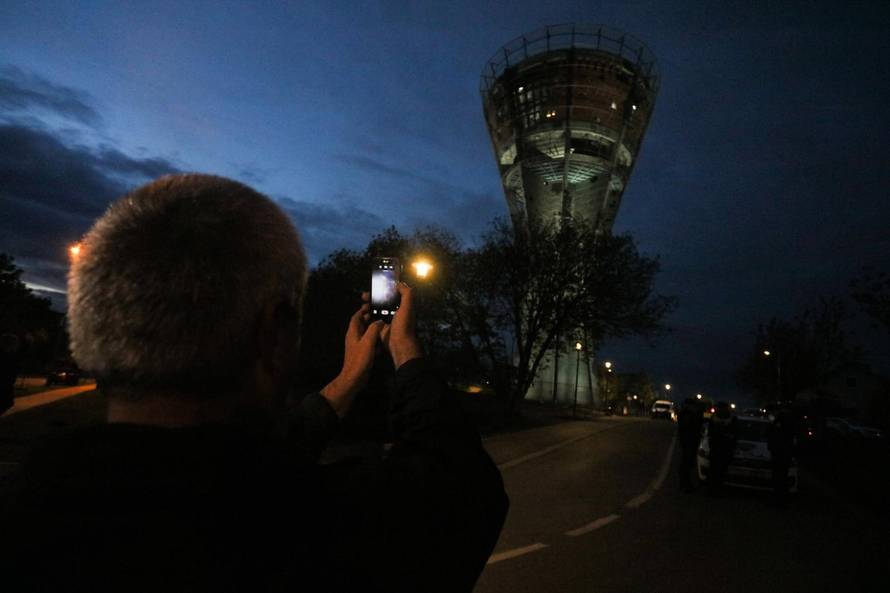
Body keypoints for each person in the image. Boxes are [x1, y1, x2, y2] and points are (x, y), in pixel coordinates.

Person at [0, 174, 508, 593]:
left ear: (93, 331)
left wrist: (346, 380)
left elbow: (217, 465)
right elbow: (464, 483)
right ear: (275, 338)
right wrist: (404, 349)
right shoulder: (319, 533)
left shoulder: (30, 516)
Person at [707, 401, 737, 492]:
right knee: (717, 470)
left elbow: (734, 433)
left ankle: (715, 488)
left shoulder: (730, 419)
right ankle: (714, 488)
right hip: (719, 447)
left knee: (718, 470)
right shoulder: (715, 418)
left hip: (722, 448)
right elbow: (710, 432)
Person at [768, 408, 795, 504]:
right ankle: (780, 499)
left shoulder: (779, 427)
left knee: (779, 478)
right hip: (782, 455)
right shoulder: (787, 428)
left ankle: (779, 499)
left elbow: (772, 436)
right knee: (781, 478)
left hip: (780, 455)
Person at [677, 396, 704, 491]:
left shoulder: (686, 413)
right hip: (688, 440)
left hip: (690, 440)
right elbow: (687, 425)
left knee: (688, 462)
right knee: (686, 462)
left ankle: (685, 483)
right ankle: (684, 483)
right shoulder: (686, 414)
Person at [0, 333, 19, 415]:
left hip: (7, 383)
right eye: (15, 344)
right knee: (7, 402)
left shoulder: (10, 355)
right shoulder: (5, 355)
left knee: (8, 402)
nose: (17, 346)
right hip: (4, 384)